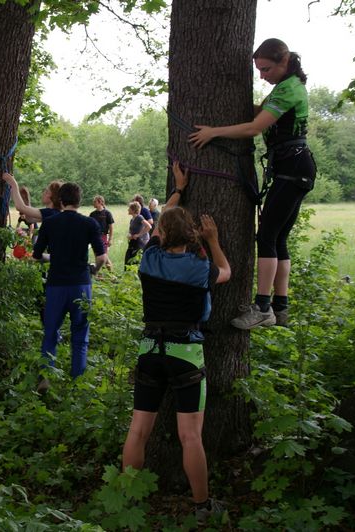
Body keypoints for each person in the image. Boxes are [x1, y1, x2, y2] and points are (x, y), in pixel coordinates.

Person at [122, 161, 231, 523]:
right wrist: (214, 241)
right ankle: (202, 507)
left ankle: (126, 498)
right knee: (191, 437)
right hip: (186, 354)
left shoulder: (148, 260)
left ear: (162, 235)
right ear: (194, 236)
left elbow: (163, 217)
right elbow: (227, 273)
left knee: (138, 429)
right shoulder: (201, 269)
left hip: (150, 350)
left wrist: (179, 190)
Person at [189, 38, 316, 328]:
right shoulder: (285, 88)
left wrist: (214, 132)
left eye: (266, 69)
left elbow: (255, 128)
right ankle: (280, 307)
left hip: (292, 168)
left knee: (267, 236)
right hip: (295, 168)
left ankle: (262, 308)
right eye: (258, 70)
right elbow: (261, 111)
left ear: (284, 62)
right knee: (278, 237)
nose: (262, 75)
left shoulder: (289, 89)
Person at [32, 182, 108, 392]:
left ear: (61, 201)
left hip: (56, 284)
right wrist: (94, 269)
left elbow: (37, 256)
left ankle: (46, 376)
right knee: (80, 334)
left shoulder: (50, 222)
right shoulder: (89, 223)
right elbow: (101, 257)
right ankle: (77, 381)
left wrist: (52, 257)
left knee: (50, 331)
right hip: (81, 284)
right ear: (79, 201)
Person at [124, 201, 152, 269]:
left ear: (133, 210)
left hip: (139, 243)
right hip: (133, 242)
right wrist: (129, 235)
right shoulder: (132, 220)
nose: (128, 209)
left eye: (129, 208)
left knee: (135, 261)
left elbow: (149, 226)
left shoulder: (139, 217)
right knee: (128, 260)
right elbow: (131, 231)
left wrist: (139, 235)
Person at [90, 195, 115, 271]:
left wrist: (110, 239)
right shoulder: (92, 214)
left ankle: (112, 275)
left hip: (103, 236)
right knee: (97, 257)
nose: (93, 203)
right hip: (94, 237)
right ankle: (99, 276)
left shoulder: (107, 213)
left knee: (104, 256)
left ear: (100, 202)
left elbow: (111, 227)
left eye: (95, 202)